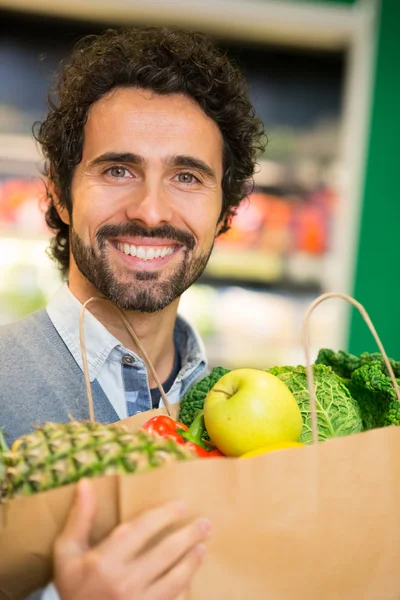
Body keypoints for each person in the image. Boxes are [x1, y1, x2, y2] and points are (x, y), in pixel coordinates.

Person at [0, 26, 265, 599]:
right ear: (60, 196)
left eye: (187, 177)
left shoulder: (248, 421)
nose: (149, 211)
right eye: (118, 170)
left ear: (227, 212)